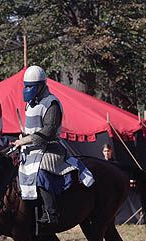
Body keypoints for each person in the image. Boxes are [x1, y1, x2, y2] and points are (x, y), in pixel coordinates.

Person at [13, 65, 94, 224]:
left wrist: (24, 140)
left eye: (31, 86)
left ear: (41, 85)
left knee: (40, 172)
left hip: (51, 148)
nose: (27, 89)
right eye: (26, 85)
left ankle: (51, 213)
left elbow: (48, 131)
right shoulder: (30, 104)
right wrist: (22, 138)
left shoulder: (52, 103)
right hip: (31, 149)